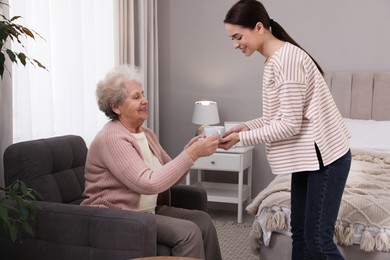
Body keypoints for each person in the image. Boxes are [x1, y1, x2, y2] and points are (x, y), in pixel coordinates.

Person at [221, 1, 351, 259]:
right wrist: (246, 126)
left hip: (326, 158)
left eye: (238, 36)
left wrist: (242, 138)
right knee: (300, 235)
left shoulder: (286, 60)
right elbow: (278, 118)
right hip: (307, 158)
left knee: (317, 242)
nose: (235, 44)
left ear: (259, 27)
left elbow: (289, 126)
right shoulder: (274, 60)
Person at [81, 64, 222, 260]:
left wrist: (190, 152)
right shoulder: (112, 138)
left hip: (147, 211)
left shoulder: (145, 133)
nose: (145, 101)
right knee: (188, 232)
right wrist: (191, 154)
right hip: (118, 217)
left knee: (202, 220)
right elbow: (149, 183)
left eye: (143, 95)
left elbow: (171, 177)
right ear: (115, 106)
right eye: (136, 97)